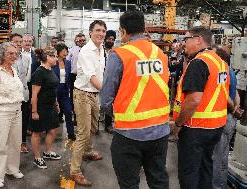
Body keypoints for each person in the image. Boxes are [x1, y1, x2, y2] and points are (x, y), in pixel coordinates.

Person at [100, 10, 170, 189]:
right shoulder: (159, 53)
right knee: (158, 180)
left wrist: (117, 115)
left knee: (129, 183)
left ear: (122, 31)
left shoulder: (119, 55)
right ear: (144, 28)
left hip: (129, 134)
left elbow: (106, 98)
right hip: (159, 131)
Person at [172, 26, 230, 189]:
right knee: (205, 167)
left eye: (186, 39)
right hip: (216, 126)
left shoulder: (199, 63)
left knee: (189, 172)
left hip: (196, 128)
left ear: (198, 40)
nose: (184, 44)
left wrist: (178, 125)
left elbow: (193, 100)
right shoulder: (220, 62)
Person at [70, 20, 106, 187]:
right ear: (90, 32)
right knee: (83, 133)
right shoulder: (86, 51)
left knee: (93, 128)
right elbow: (92, 77)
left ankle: (88, 151)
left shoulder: (101, 50)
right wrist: (109, 94)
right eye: (98, 30)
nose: (101, 33)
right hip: (83, 94)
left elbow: (101, 74)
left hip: (94, 94)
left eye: (103, 31)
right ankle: (75, 171)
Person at [0, 42, 24, 188]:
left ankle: (11, 169)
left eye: (15, 53)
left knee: (15, 143)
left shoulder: (13, 70)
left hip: (16, 111)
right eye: (10, 53)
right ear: (2, 54)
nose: (14, 56)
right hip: (1, 112)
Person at [212, 46, 243, 189]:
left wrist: (232, 108)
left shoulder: (222, 71)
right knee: (223, 158)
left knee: (216, 159)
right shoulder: (230, 71)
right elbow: (235, 93)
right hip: (230, 118)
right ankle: (221, 185)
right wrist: (236, 108)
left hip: (223, 118)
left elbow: (223, 95)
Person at [31, 46, 61, 169]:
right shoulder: (39, 72)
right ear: (47, 57)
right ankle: (37, 157)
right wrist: (34, 111)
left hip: (51, 106)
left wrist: (56, 102)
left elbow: (52, 88)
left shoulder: (51, 70)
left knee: (53, 130)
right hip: (40, 107)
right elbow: (34, 94)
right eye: (54, 56)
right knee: (37, 133)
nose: (56, 59)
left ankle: (47, 152)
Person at [11, 33, 32, 153]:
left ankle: (22, 142)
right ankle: (13, 143)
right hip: (11, 95)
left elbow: (27, 77)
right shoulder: (7, 58)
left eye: (20, 42)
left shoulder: (26, 58)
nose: (19, 44)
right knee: (13, 120)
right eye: (16, 42)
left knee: (24, 119)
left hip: (23, 94)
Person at [53, 43, 76, 141]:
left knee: (68, 111)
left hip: (65, 90)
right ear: (58, 52)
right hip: (54, 90)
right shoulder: (53, 63)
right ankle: (50, 133)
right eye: (63, 51)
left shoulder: (68, 63)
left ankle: (71, 133)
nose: (66, 53)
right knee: (53, 113)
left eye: (66, 51)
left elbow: (69, 78)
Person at [66, 33, 86, 125]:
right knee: (74, 97)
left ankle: (84, 117)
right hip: (74, 76)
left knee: (84, 97)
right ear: (76, 41)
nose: (82, 42)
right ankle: (76, 117)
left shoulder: (88, 50)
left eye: (83, 40)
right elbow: (68, 64)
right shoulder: (71, 50)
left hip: (85, 77)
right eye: (79, 40)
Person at [103, 30, 116, 134]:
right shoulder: (99, 50)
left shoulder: (115, 52)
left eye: (112, 39)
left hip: (110, 80)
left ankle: (108, 124)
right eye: (109, 39)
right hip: (99, 78)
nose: (110, 41)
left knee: (109, 103)